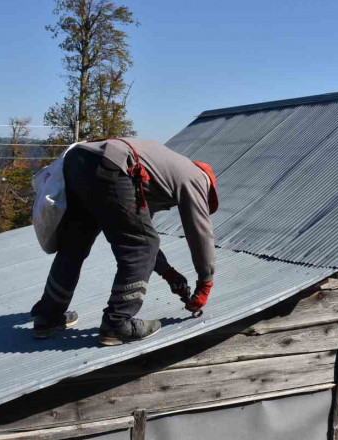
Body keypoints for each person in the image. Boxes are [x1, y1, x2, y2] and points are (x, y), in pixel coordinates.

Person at [30, 138, 218, 346]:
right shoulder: (196, 178)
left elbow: (141, 230)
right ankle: (117, 322)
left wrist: (168, 272)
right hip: (111, 162)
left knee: (75, 244)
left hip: (78, 160)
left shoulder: (162, 171)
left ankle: (48, 316)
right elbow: (199, 232)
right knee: (141, 246)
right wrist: (205, 283)